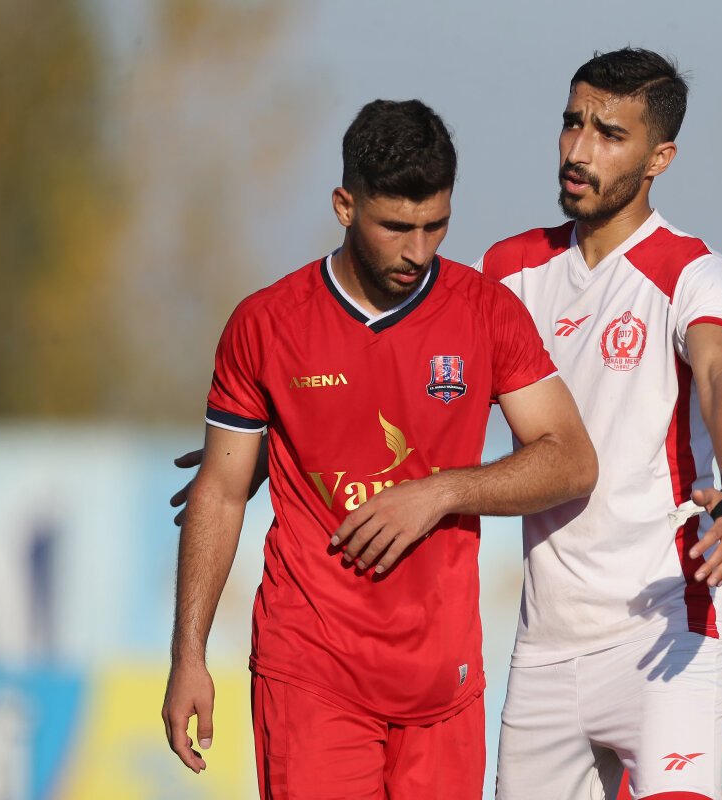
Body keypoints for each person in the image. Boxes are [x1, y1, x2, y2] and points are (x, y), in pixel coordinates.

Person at [160, 98, 597, 800]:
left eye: (435, 226)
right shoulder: (267, 324)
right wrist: (189, 655)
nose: (417, 251)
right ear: (345, 205)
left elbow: (571, 460)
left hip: (443, 681)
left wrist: (442, 491)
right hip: (311, 670)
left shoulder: (486, 313)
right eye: (396, 227)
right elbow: (220, 489)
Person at [476, 48, 722, 800]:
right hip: (545, 645)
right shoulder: (508, 269)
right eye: (572, 123)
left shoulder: (691, 269)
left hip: (670, 628)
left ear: (659, 158)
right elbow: (431, 390)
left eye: (609, 134)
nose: (578, 149)